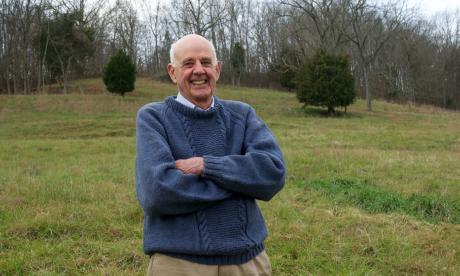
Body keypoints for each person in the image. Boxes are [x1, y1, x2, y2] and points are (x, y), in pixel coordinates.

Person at [135, 34, 285, 276]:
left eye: (205, 62)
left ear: (217, 69)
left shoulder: (243, 115)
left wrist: (207, 166)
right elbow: (157, 193)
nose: (198, 70)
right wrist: (241, 183)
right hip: (178, 263)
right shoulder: (153, 118)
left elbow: (272, 174)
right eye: (188, 64)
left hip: (247, 262)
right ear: (173, 72)